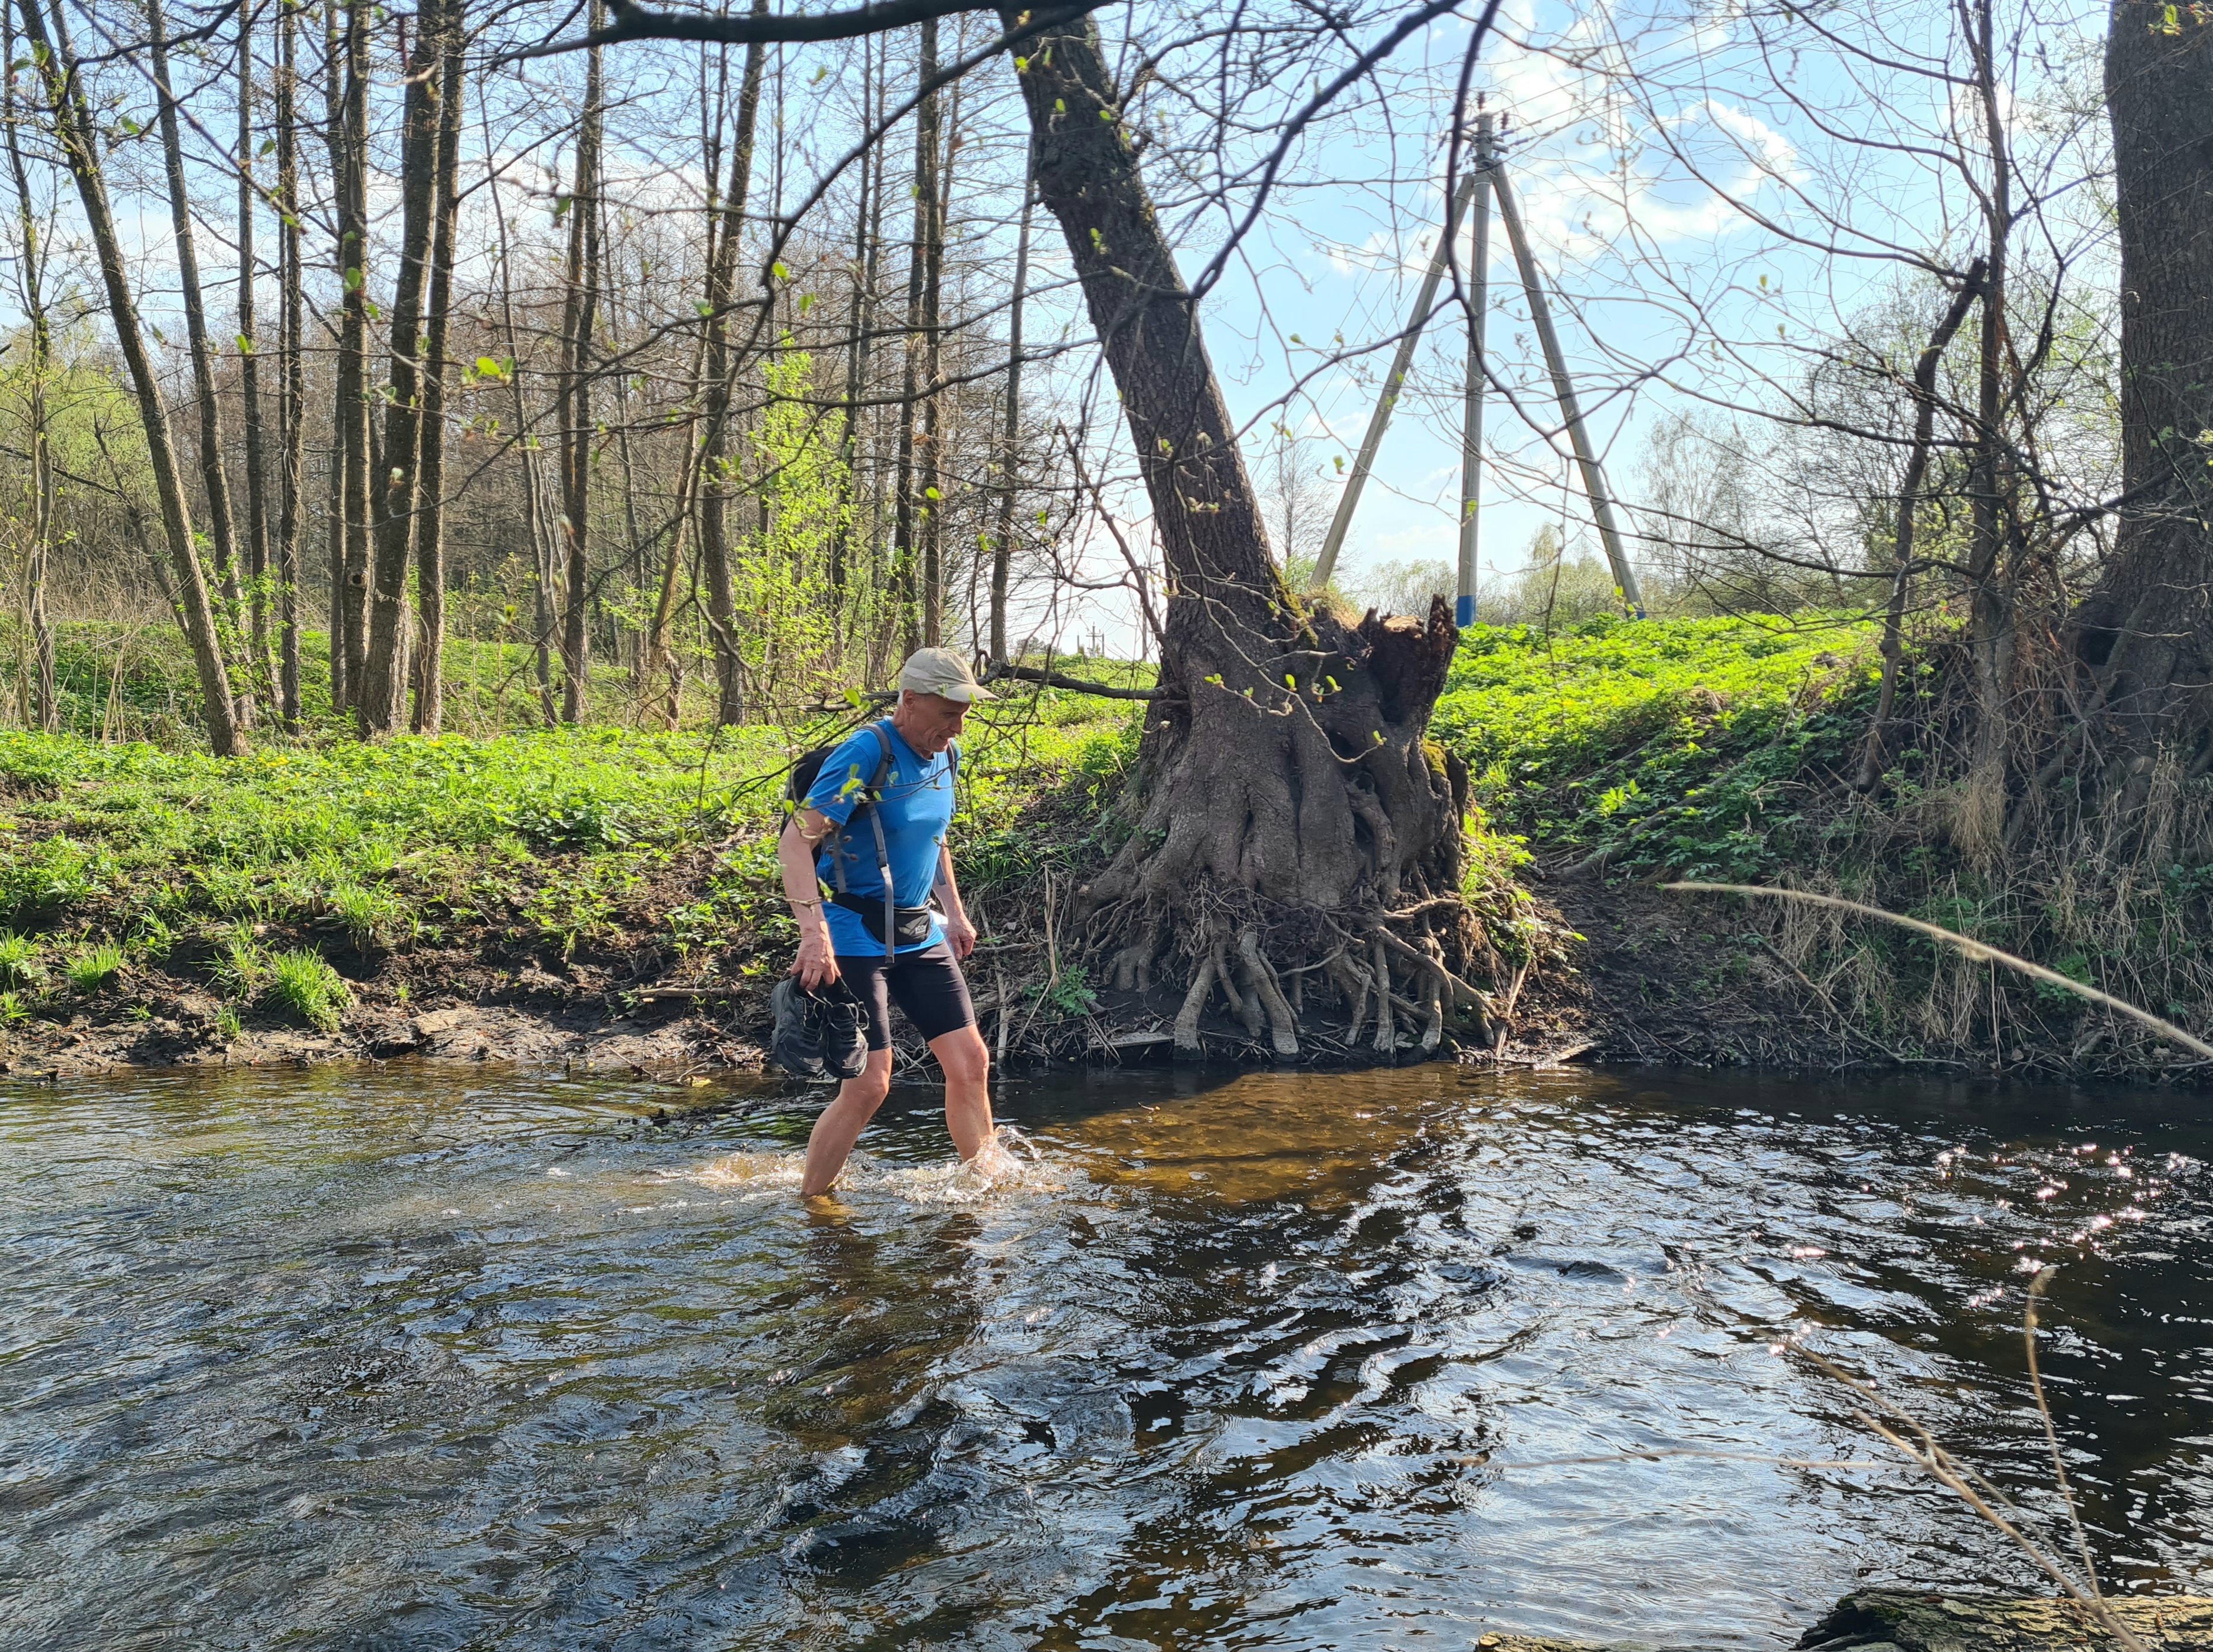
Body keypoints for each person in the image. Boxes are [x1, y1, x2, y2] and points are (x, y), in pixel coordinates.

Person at [777, 647, 997, 1197]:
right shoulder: (866, 753)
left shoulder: (946, 756)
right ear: (910, 700)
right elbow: (795, 843)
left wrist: (955, 913)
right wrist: (814, 936)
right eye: (948, 713)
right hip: (854, 931)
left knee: (971, 1062)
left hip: (919, 931)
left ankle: (987, 1190)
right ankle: (813, 1201)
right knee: (869, 1084)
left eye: (963, 714)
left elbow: (934, 838)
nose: (957, 726)